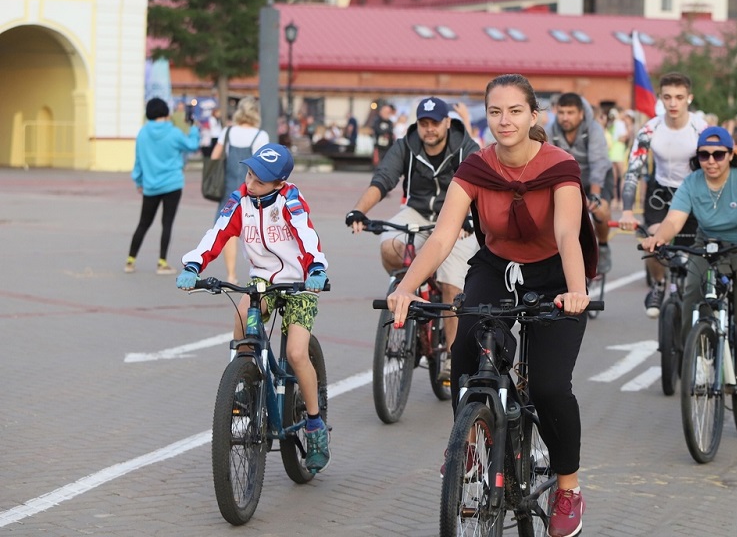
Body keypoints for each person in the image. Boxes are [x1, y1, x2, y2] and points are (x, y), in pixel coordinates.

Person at [386, 74, 597, 537]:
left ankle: (568, 488)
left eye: (515, 111)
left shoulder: (560, 166)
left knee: (549, 387)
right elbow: (443, 236)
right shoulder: (476, 169)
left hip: (556, 274)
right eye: (496, 112)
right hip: (497, 267)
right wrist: (405, 286)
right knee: (463, 356)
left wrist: (577, 290)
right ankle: (471, 444)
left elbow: (567, 234)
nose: (505, 121)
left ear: (533, 117)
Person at [176, 144, 331, 473]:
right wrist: (193, 265)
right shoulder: (239, 201)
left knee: (297, 353)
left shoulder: (290, 201)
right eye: (249, 174)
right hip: (262, 283)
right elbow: (216, 234)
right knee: (240, 323)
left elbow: (307, 236)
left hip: (299, 284)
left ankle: (316, 426)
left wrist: (316, 269)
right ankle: (245, 390)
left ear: (279, 183)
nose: (250, 182)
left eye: (259, 180)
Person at [641, 126, 737, 403]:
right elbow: (673, 221)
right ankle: (703, 359)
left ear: (730, 154)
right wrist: (658, 238)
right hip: (709, 249)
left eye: (718, 154)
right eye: (704, 155)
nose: (711, 161)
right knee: (692, 301)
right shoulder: (692, 183)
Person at [346, 96, 480, 380]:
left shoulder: (466, 147)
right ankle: (414, 289)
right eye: (423, 123)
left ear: (447, 122)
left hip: (457, 216)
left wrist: (470, 217)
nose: (429, 129)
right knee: (389, 246)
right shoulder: (406, 144)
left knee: (451, 281)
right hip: (417, 212)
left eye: (434, 123)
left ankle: (453, 359)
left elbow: (478, 186)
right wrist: (359, 210)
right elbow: (383, 179)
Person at [617, 72, 707, 317]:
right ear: (661, 99)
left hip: (694, 193)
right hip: (660, 193)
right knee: (653, 241)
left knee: (697, 254)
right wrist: (626, 209)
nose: (673, 103)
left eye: (679, 97)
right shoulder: (650, 128)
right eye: (667, 97)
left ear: (689, 98)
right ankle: (658, 283)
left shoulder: (700, 127)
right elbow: (634, 170)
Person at [125, 97, 201, 275]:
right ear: (166, 112)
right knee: (167, 223)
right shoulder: (174, 133)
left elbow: (138, 161)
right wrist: (194, 129)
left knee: (144, 223)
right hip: (172, 184)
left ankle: (130, 260)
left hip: (150, 185)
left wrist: (138, 181)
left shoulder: (142, 133)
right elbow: (192, 146)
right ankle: (162, 262)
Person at [549, 92, 614, 273]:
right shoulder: (551, 131)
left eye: (570, 113)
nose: (565, 118)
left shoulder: (593, 130)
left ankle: (603, 245)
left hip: (597, 176)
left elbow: (598, 164)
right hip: (568, 178)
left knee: (600, 208)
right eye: (561, 113)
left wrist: (594, 194)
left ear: (581, 114)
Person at [209, 96, 270, 283]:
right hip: (252, 189)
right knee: (257, 230)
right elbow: (264, 166)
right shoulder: (261, 136)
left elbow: (215, 155)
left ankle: (231, 275)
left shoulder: (227, 131)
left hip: (228, 187)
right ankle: (262, 273)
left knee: (229, 232)